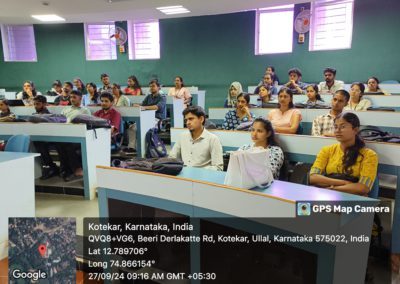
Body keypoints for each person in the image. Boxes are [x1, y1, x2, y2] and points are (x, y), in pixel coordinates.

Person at [309, 112, 378, 196]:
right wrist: (343, 182)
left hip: (351, 199)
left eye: (343, 127)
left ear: (355, 130)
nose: (337, 131)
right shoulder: (326, 150)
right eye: (335, 127)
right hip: (327, 196)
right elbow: (312, 177)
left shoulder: (369, 155)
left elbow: (363, 188)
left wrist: (332, 188)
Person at [169, 106, 223, 171]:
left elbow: (218, 168)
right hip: (183, 176)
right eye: (186, 120)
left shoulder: (213, 139)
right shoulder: (182, 136)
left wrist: (197, 172)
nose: (187, 122)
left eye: (191, 119)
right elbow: (172, 158)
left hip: (202, 178)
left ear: (201, 119)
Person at [58, 90, 90, 181]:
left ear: (80, 98)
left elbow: (87, 124)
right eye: (71, 97)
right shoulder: (65, 109)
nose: (72, 99)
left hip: (79, 136)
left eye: (74, 97)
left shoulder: (85, 110)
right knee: (59, 143)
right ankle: (66, 168)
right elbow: (60, 121)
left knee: (68, 145)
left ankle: (74, 169)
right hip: (65, 134)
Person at [32, 95, 60, 180]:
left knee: (40, 144)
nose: (36, 106)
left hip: (50, 138)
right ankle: (46, 166)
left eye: (38, 104)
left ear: (44, 104)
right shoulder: (34, 115)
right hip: (38, 137)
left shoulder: (49, 115)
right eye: (35, 104)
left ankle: (51, 167)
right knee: (35, 142)